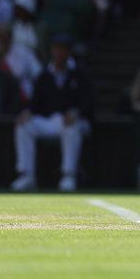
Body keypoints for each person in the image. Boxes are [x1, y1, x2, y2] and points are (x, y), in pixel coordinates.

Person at [11, 35, 93, 192]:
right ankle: (26, 175)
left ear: (69, 52)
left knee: (71, 127)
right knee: (23, 126)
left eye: (63, 49)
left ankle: (68, 175)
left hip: (76, 122)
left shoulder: (81, 74)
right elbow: (35, 104)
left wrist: (76, 112)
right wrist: (27, 112)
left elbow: (88, 102)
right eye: (56, 49)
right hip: (50, 122)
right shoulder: (43, 76)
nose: (59, 53)